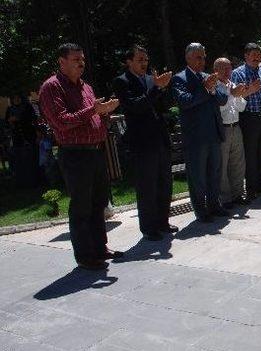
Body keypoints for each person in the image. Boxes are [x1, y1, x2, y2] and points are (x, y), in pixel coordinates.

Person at [39, 43, 121, 270]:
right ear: (61, 62)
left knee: (98, 204)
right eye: (76, 59)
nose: (81, 63)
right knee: (81, 206)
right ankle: (85, 256)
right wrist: (94, 110)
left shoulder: (86, 87)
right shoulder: (51, 88)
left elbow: (94, 118)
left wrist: (105, 113)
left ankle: (100, 248)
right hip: (74, 154)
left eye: (82, 59)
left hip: (95, 152)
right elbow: (61, 122)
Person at [112, 45, 177, 240]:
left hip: (160, 138)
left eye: (146, 60)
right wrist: (156, 88)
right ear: (129, 61)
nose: (144, 63)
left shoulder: (151, 79)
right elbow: (135, 106)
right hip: (142, 141)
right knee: (147, 186)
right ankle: (149, 228)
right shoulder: (122, 82)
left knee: (165, 182)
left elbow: (161, 106)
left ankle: (163, 221)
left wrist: (163, 88)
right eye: (139, 59)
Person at [171, 43, 228, 222]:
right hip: (196, 137)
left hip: (213, 133)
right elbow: (185, 101)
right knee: (198, 176)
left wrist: (212, 89)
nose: (202, 60)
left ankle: (214, 205)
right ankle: (201, 211)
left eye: (204, 57)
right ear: (188, 58)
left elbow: (223, 98)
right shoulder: (180, 79)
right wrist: (204, 89)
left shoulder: (208, 77)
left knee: (214, 172)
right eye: (198, 57)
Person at [231, 43, 261, 200]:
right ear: (246, 56)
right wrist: (250, 90)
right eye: (253, 54)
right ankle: (251, 188)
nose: (256, 57)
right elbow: (234, 97)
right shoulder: (237, 73)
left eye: (258, 55)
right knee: (250, 153)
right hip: (249, 118)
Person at [213, 57, 250, 209]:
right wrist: (232, 94)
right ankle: (225, 198)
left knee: (238, 162)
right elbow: (220, 108)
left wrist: (240, 94)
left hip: (236, 126)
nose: (228, 71)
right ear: (216, 70)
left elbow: (241, 107)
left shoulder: (231, 84)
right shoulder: (214, 86)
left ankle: (238, 193)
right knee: (223, 164)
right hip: (223, 128)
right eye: (224, 68)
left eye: (229, 68)